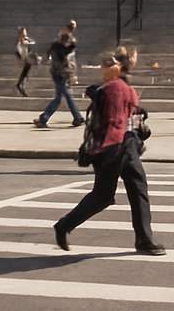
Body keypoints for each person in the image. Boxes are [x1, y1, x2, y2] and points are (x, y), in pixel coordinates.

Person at [54, 47, 166, 257]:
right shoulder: (116, 88)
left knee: (133, 190)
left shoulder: (120, 87)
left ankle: (144, 239)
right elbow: (115, 122)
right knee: (106, 196)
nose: (133, 63)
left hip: (122, 146)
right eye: (132, 60)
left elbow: (124, 117)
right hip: (116, 148)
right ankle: (64, 225)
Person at [34, 27, 82, 128]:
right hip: (60, 74)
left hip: (58, 74)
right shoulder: (61, 48)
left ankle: (44, 118)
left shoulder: (56, 46)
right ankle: (77, 117)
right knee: (65, 97)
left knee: (59, 98)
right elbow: (71, 47)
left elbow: (49, 54)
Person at [14, 26, 36, 97]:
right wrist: (20, 59)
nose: (25, 33)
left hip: (27, 57)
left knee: (25, 73)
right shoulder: (20, 41)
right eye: (24, 32)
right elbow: (18, 50)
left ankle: (20, 85)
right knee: (25, 72)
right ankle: (20, 85)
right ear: (21, 33)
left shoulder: (26, 39)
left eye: (25, 32)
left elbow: (33, 42)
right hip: (24, 58)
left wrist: (29, 41)